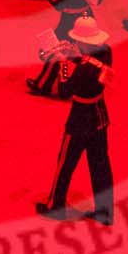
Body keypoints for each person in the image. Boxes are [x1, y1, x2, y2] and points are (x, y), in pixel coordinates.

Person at [36, 20, 115, 223]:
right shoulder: (106, 52)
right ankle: (105, 211)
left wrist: (63, 63)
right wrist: (78, 57)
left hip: (80, 119)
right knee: (100, 164)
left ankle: (56, 204)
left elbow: (64, 91)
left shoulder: (83, 70)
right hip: (99, 115)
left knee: (65, 163)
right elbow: (90, 65)